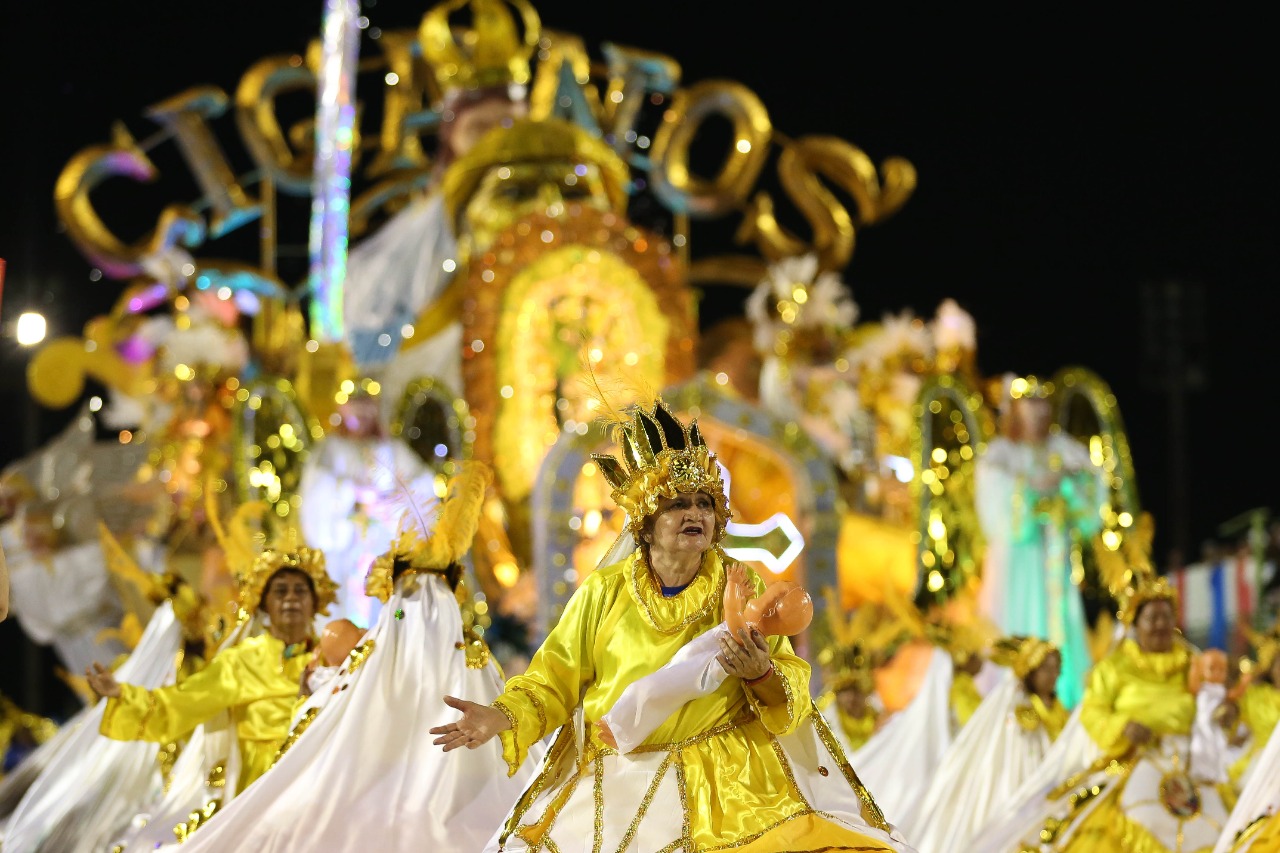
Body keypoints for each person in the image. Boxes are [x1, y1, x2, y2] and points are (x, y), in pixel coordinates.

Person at [430, 402, 909, 852]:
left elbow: (791, 687)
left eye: (704, 503)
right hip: (620, 778)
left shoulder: (740, 583)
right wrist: (502, 716)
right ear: (647, 520)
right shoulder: (605, 591)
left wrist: (761, 675)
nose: (696, 513)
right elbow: (553, 681)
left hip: (732, 784)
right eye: (679, 504)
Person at [161, 461, 542, 852]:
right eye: (407, 606)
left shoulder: (444, 655)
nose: (291, 603)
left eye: (299, 592)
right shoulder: (356, 646)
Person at [978, 530, 1233, 852]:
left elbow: (1214, 704)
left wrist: (1223, 714)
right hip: (1133, 759)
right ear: (1134, 625)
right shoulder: (1114, 667)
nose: (1159, 626)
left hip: (1192, 764)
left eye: (1165, 618)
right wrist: (1124, 727)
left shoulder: (1193, 661)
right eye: (1151, 618)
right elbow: (1093, 711)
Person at [85, 529, 338, 793]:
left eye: (300, 591)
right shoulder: (242, 661)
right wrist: (123, 694)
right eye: (280, 591)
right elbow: (181, 703)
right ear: (263, 605)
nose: (291, 599)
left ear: (315, 602)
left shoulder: (330, 655)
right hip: (262, 785)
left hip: (321, 774)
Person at [975, 374, 1106, 707]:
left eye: (1042, 403)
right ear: (1014, 410)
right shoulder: (1002, 454)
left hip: (1054, 557)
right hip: (1015, 561)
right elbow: (996, 507)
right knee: (1013, 620)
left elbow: (1092, 494)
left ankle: (1062, 697)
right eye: (1029, 403)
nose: (1037, 411)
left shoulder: (1062, 449)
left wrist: (1063, 484)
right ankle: (1009, 700)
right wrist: (1032, 488)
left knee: (1058, 623)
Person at [909, 637, 1068, 853]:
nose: (1053, 675)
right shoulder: (1020, 710)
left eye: (1056, 668)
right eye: (1046, 669)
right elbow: (1017, 759)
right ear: (1031, 671)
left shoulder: (1058, 709)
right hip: (1026, 790)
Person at [297, 389, 434, 625]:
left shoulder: (392, 450)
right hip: (345, 550)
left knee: (388, 612)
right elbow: (316, 492)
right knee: (344, 610)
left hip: (382, 546)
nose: (361, 415)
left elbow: (423, 487)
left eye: (366, 408)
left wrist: (391, 504)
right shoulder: (330, 449)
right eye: (355, 408)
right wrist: (351, 492)